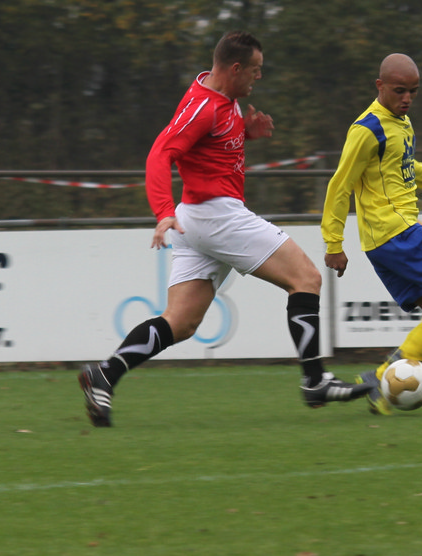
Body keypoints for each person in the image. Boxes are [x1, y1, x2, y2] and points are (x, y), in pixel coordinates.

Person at [79, 31, 374, 426]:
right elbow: (160, 154)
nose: (259, 77)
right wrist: (162, 211)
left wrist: (244, 131)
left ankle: (105, 375)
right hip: (215, 215)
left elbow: (209, 145)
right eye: (255, 70)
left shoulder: (223, 99)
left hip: (199, 219)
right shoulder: (204, 106)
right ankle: (315, 380)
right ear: (235, 68)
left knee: (181, 323)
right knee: (306, 278)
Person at [322, 53, 422, 414]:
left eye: (413, 91)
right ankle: (389, 373)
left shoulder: (402, 122)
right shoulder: (367, 130)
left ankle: (386, 385)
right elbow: (339, 186)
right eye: (399, 91)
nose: (407, 98)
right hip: (395, 231)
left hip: (389, 239)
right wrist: (333, 243)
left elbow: (408, 166)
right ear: (379, 86)